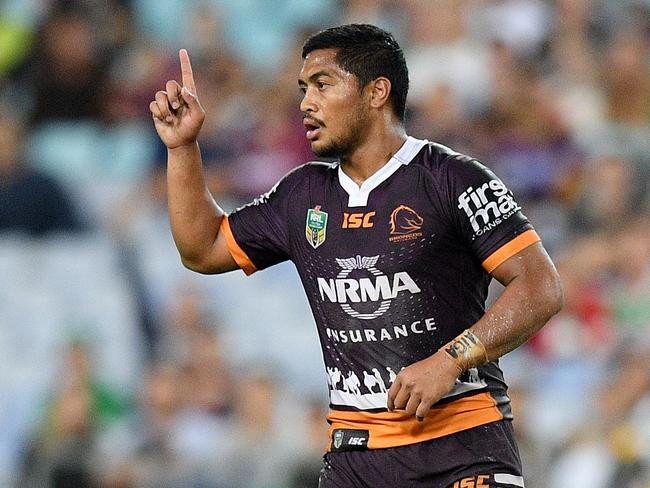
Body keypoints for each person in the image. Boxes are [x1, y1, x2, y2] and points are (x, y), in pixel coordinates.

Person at [150, 23, 563, 488]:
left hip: (463, 452)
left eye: (323, 85)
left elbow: (540, 287)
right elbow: (202, 249)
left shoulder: (454, 180)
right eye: (303, 89)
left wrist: (451, 359)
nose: (307, 103)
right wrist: (183, 147)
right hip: (356, 463)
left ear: (376, 92)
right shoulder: (302, 195)